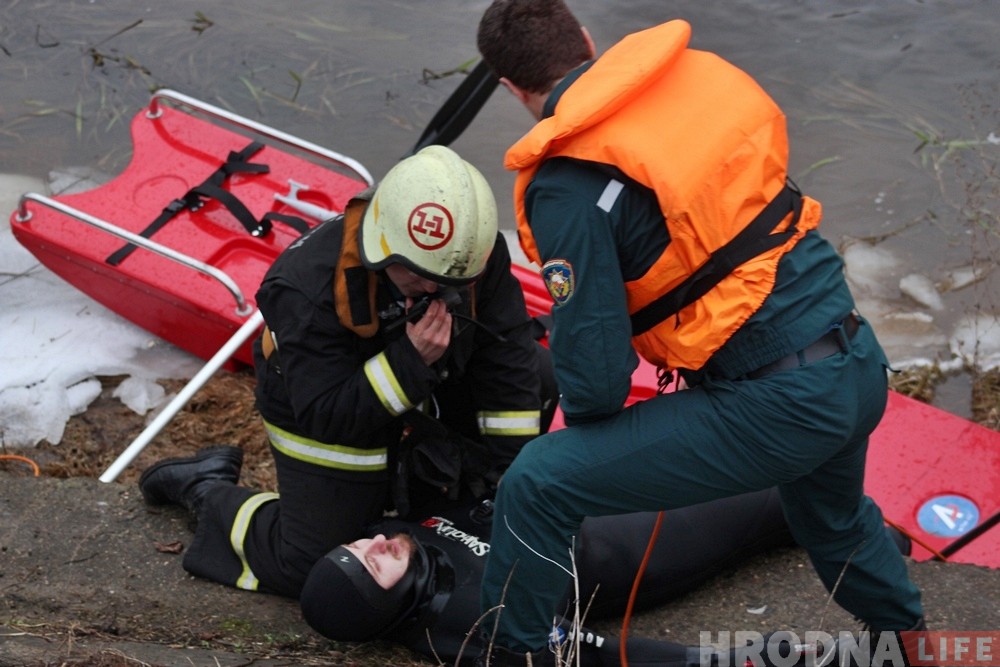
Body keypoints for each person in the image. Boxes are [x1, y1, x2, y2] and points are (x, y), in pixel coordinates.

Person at [473, 1, 926, 663]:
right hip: (856, 360)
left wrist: (600, 444)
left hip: (781, 402)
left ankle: (510, 654)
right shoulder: (691, 82)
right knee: (831, 520)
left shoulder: (567, 183)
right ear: (589, 42)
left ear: (510, 88)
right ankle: (913, 643)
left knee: (538, 481)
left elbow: (598, 379)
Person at [138, 145, 550, 598]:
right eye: (417, 277)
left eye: (450, 283)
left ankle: (435, 486)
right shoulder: (304, 287)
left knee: (543, 376)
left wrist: (512, 472)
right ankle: (205, 487)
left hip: (428, 381)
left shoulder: (468, 254)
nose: (433, 289)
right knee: (317, 562)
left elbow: (507, 351)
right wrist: (410, 364)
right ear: (381, 246)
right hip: (330, 412)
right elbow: (325, 414)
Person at [299, 489, 801, 666]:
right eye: (374, 564)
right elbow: (600, 655)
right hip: (614, 543)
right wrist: (733, 658)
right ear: (386, 605)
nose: (377, 544)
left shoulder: (394, 536)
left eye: (357, 546)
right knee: (787, 496)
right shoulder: (472, 623)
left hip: (568, 489)